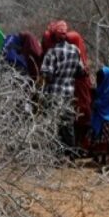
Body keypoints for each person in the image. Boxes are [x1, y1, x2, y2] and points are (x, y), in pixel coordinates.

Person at [40, 23, 85, 155]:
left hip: (54, 93)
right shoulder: (75, 50)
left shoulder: (52, 52)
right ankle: (71, 154)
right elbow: (81, 72)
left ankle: (56, 154)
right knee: (68, 124)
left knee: (53, 124)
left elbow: (47, 75)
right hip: (69, 92)